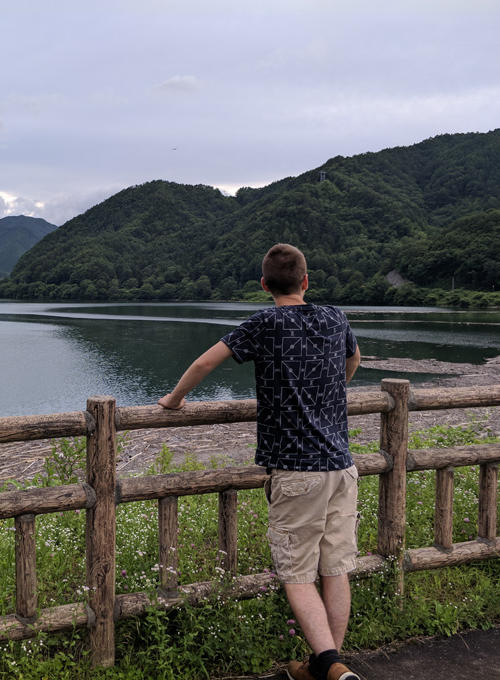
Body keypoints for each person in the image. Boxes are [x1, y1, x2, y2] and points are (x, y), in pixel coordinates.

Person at [158, 243, 362, 680]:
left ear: (265, 285)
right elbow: (353, 360)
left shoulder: (265, 322)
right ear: (306, 281)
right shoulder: (335, 317)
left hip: (296, 470)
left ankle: (330, 667)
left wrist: (174, 400)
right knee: (336, 567)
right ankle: (327, 665)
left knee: (298, 574)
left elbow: (205, 361)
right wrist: (330, 395)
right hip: (343, 467)